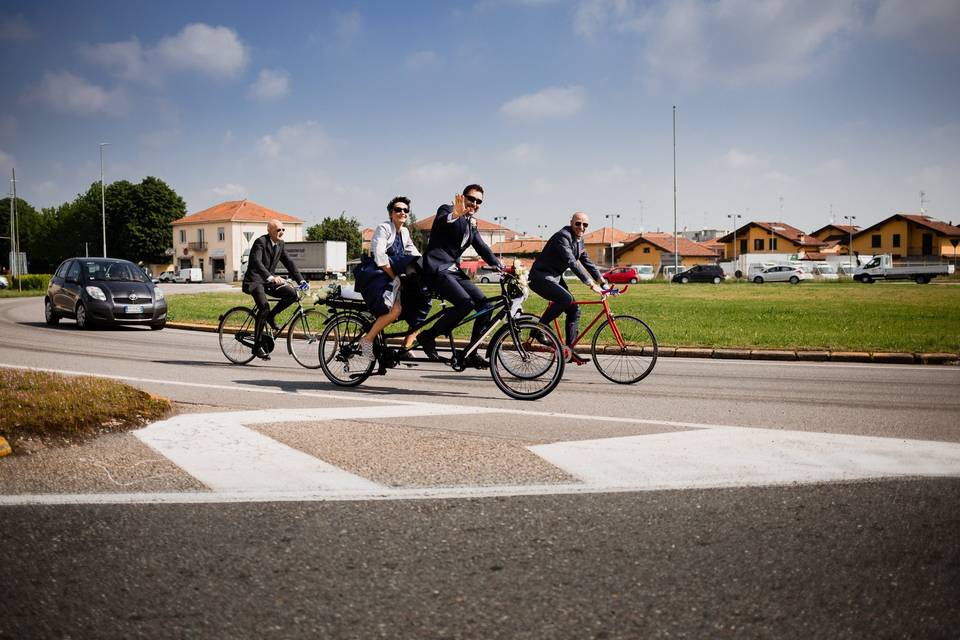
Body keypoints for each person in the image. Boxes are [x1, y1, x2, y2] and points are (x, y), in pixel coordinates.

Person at [417, 184, 503, 368]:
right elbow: (444, 220)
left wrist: (500, 266)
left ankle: (472, 351)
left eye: (479, 201)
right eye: (471, 198)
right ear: (462, 197)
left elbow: (482, 247)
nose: (474, 203)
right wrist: (456, 214)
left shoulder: (472, 224)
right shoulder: (447, 210)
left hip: (453, 271)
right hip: (436, 269)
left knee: (486, 305)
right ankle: (428, 336)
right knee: (465, 304)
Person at [353, 196, 432, 367]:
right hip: (377, 275)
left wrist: (431, 266)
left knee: (421, 303)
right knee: (395, 310)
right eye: (398, 209)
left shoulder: (404, 232)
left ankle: (406, 346)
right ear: (391, 213)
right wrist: (396, 278)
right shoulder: (383, 228)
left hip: (394, 274)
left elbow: (415, 255)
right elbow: (380, 257)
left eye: (405, 210)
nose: (402, 212)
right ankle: (366, 340)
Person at [529, 211, 606, 365]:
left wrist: (603, 282)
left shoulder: (579, 240)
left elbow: (587, 262)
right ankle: (537, 330)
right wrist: (591, 284)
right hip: (540, 276)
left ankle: (569, 350)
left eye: (585, 224)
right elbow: (572, 262)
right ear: (571, 222)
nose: (581, 227)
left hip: (555, 277)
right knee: (566, 299)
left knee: (574, 309)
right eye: (578, 223)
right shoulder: (562, 237)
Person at [242, 219, 308, 360]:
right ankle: (257, 345)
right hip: (255, 280)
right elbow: (256, 262)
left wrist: (301, 280)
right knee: (264, 307)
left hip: (267, 281)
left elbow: (289, 263)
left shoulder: (280, 244)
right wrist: (271, 277)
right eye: (278, 230)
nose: (281, 232)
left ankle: (271, 317)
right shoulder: (261, 242)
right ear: (269, 230)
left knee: (292, 294)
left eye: (283, 230)